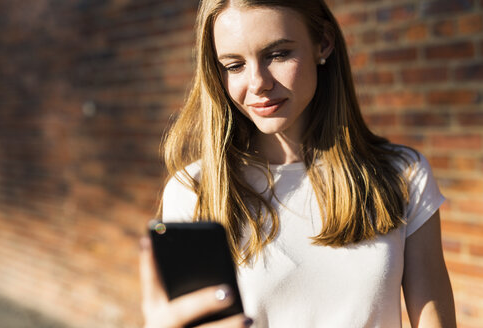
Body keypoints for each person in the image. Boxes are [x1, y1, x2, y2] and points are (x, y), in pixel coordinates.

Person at [139, 0, 457, 327]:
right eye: (234, 66)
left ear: (324, 43)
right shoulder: (193, 190)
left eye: (277, 55)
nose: (258, 82)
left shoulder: (402, 173)